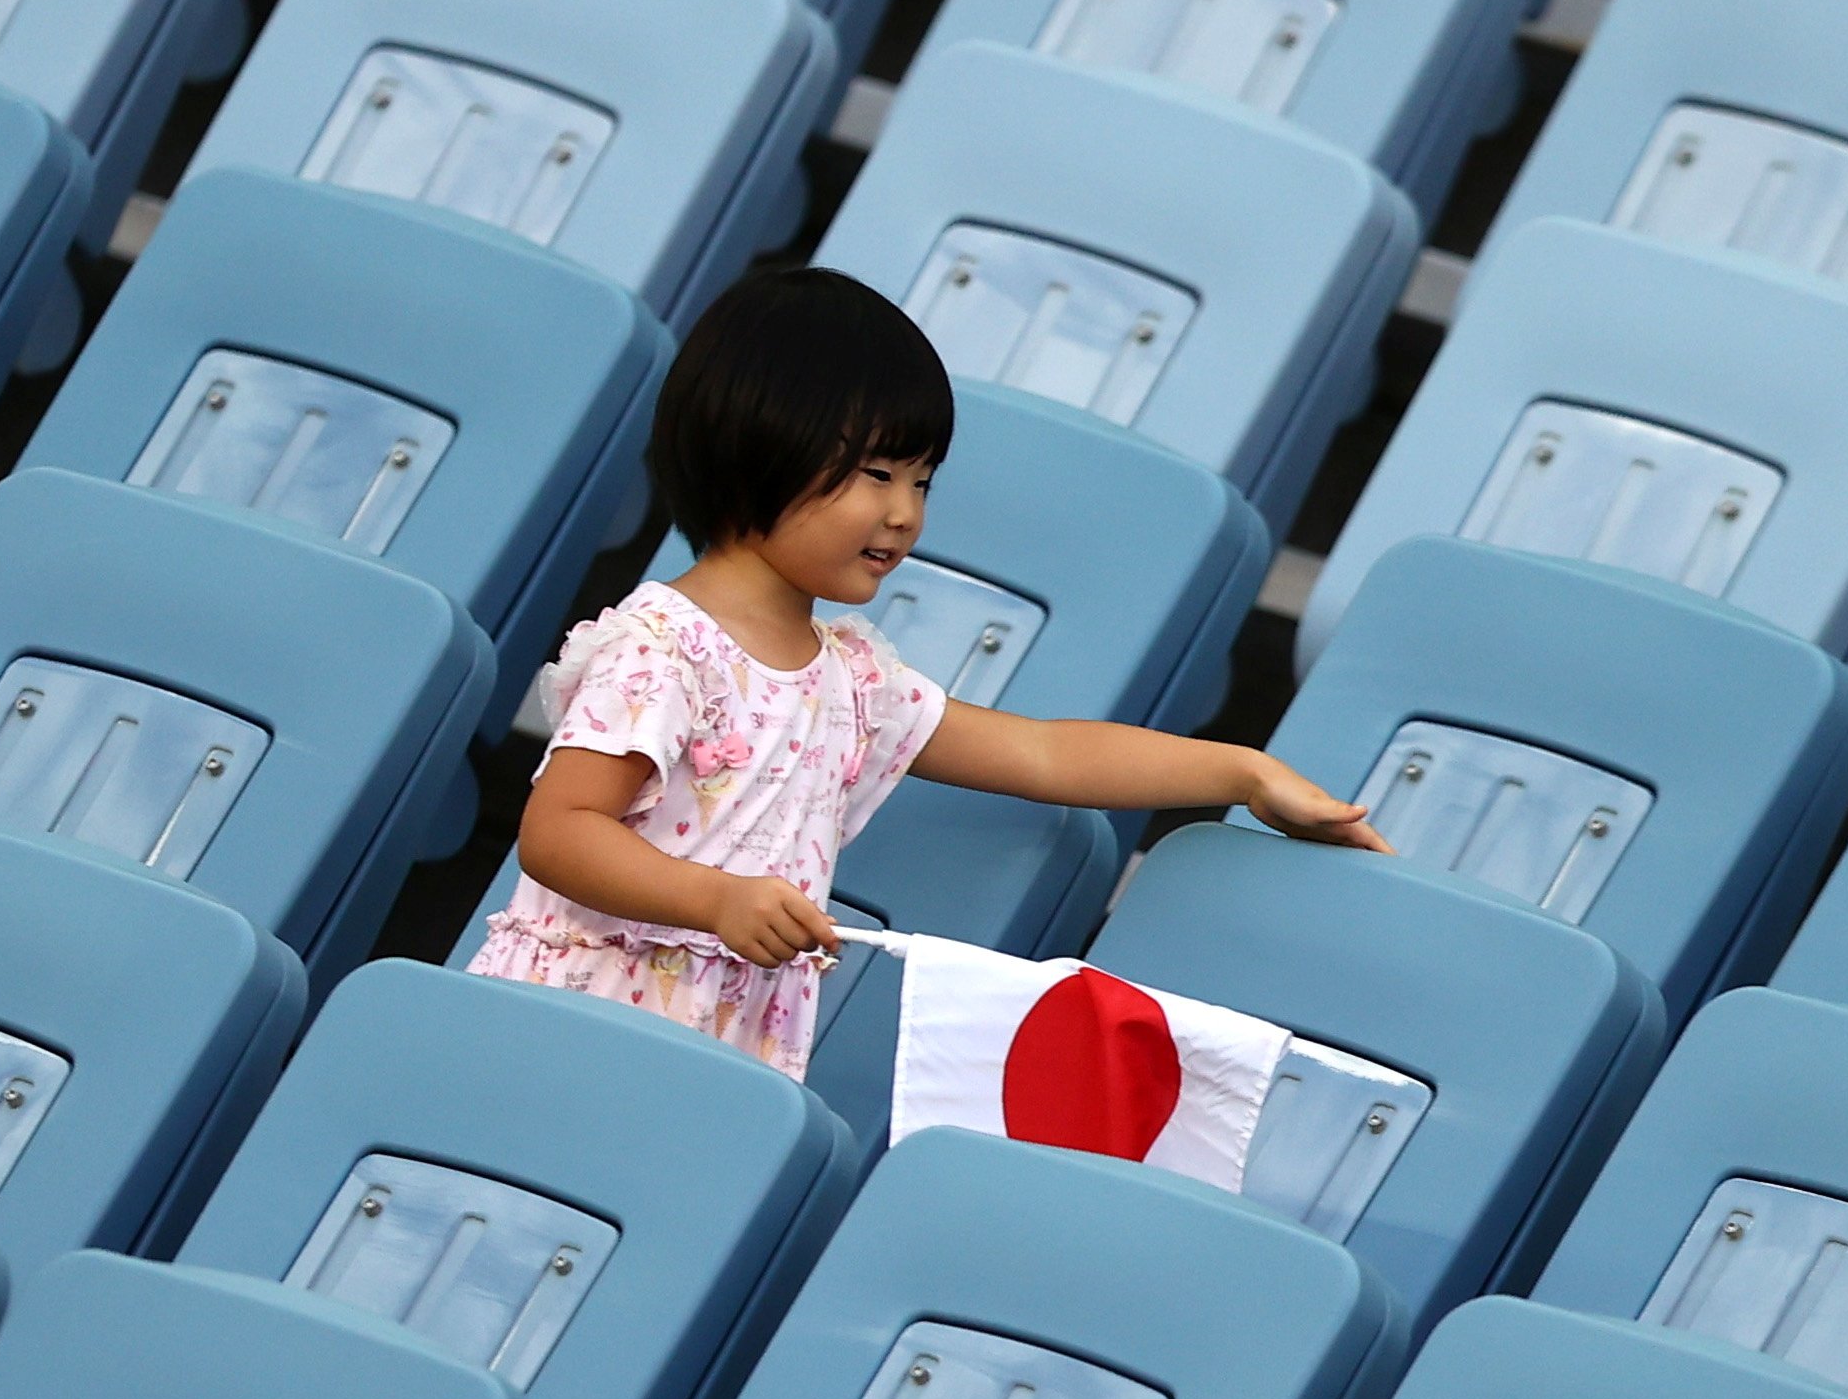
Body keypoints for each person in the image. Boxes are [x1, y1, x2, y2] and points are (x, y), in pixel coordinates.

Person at [467, 267, 1388, 1078]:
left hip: (712, 1060)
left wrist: (1239, 771)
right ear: (753, 445)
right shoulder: (665, 648)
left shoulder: (852, 680)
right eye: (875, 473)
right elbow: (559, 829)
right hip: (561, 1033)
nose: (905, 514)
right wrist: (714, 898)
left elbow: (1041, 756)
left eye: (922, 481)